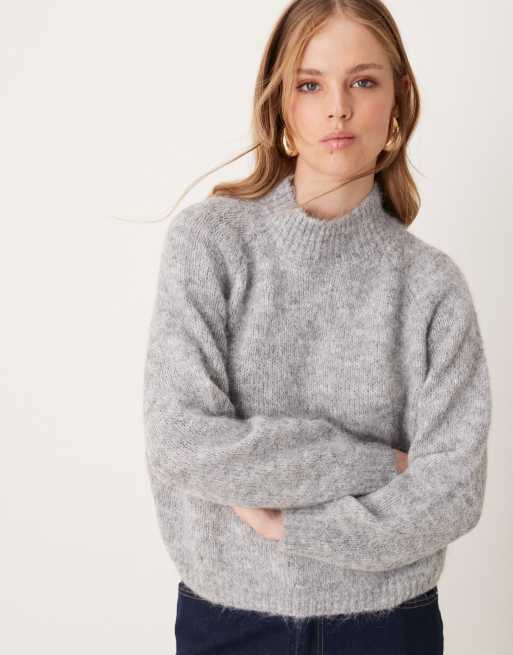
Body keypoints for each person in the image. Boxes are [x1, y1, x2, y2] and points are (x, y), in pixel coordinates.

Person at [142, 1, 492, 653]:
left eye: (363, 81)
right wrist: (375, 463)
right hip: (229, 621)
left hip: (391, 624)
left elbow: (451, 492)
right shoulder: (210, 244)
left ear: (398, 98)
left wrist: (294, 527)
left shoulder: (431, 286)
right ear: (280, 105)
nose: (338, 108)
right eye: (310, 84)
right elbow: (182, 440)